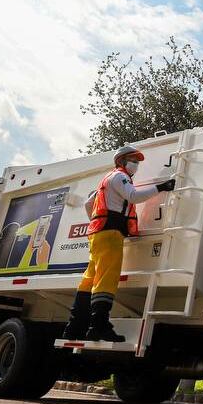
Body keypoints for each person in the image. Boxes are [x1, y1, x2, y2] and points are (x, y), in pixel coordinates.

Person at [64, 145, 175, 342]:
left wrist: (97, 222)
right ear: (122, 161)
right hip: (110, 234)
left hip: (98, 234)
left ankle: (74, 327)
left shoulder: (106, 179)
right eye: (133, 160)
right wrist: (160, 187)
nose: (136, 165)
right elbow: (133, 196)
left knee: (90, 279)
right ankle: (99, 326)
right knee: (107, 278)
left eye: (138, 161)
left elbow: (89, 204)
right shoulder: (119, 177)